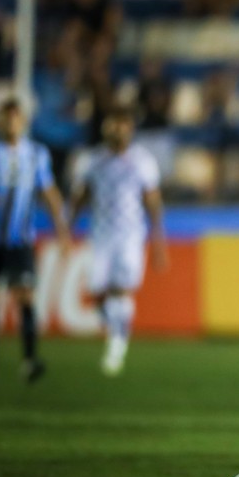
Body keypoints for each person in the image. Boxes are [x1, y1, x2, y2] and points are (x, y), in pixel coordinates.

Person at [69, 105, 168, 376]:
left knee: (121, 289)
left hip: (130, 235)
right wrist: (67, 227)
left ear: (131, 130)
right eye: (114, 125)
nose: (118, 131)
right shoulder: (92, 160)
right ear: (105, 128)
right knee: (97, 291)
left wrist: (159, 240)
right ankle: (117, 328)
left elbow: (153, 202)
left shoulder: (142, 161)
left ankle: (118, 342)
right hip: (100, 234)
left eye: (123, 125)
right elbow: (81, 196)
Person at [0, 98, 72, 382]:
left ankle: (29, 360)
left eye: (15, 117)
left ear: (24, 122)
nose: (10, 123)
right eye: (5, 118)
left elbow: (50, 194)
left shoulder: (36, 154)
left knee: (25, 296)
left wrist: (62, 232)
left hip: (20, 240)